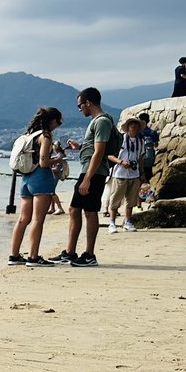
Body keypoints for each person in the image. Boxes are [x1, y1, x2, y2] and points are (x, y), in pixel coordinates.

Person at [51, 87, 116, 267]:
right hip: (91, 170)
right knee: (75, 209)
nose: (79, 109)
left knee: (89, 211)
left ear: (88, 103)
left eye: (80, 105)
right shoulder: (97, 121)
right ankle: (71, 252)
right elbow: (95, 149)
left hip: (93, 173)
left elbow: (99, 151)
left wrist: (87, 178)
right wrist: (80, 147)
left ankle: (89, 254)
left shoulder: (101, 121)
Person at [9, 107, 65, 266]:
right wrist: (58, 158)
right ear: (52, 120)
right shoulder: (45, 136)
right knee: (37, 219)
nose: (57, 125)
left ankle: (14, 255)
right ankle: (33, 257)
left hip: (26, 178)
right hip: (41, 179)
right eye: (58, 122)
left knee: (22, 219)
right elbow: (44, 162)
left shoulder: (29, 135)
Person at [108, 116, 144, 233]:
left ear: (138, 127)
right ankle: (112, 222)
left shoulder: (140, 141)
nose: (133, 126)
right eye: (131, 124)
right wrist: (121, 162)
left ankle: (128, 221)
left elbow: (140, 158)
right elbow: (109, 155)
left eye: (135, 124)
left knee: (131, 200)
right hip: (120, 173)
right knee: (115, 200)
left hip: (134, 174)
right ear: (127, 127)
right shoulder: (120, 140)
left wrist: (142, 173)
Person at [139, 114, 159, 182]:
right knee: (147, 180)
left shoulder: (137, 133)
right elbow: (156, 145)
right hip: (149, 162)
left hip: (138, 161)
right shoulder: (153, 133)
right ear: (148, 121)